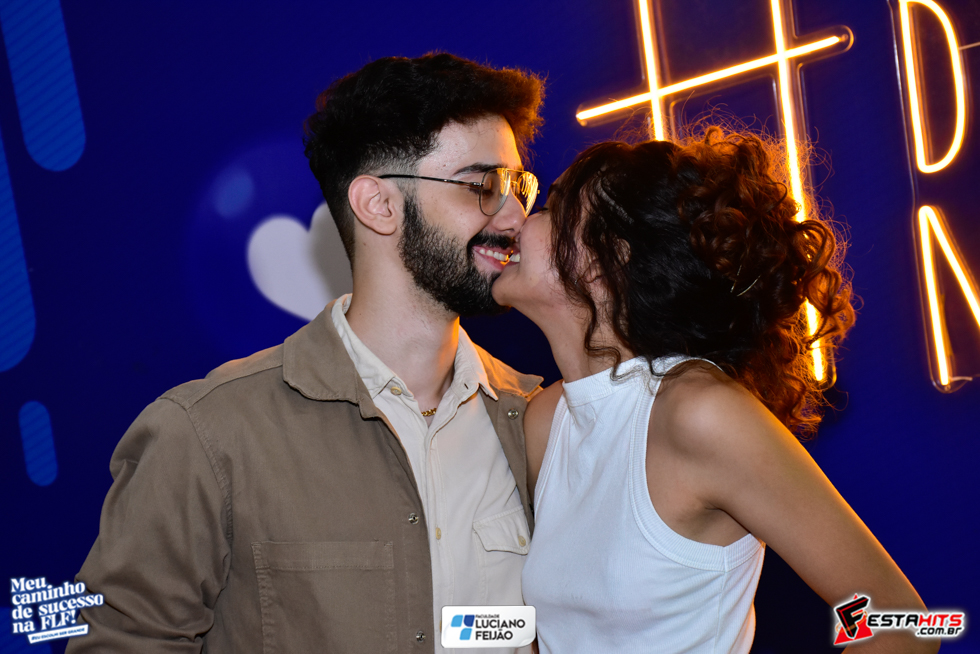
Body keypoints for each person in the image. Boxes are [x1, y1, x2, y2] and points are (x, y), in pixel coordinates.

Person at [68, 53, 544, 653]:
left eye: (519, 186)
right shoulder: (210, 434)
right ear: (378, 204)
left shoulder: (537, 421)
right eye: (484, 186)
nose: (516, 216)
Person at [492, 129, 934, 653]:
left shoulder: (700, 412)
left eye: (551, 208)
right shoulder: (546, 421)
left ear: (609, 255)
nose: (517, 221)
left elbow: (899, 621)